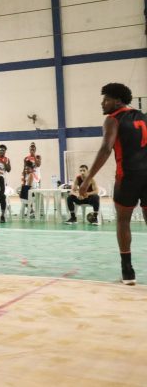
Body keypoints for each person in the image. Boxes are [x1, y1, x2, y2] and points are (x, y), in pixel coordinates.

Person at [79, 83, 147, 285]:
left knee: (123, 221)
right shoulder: (143, 116)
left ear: (117, 101)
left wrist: (88, 178)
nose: (103, 103)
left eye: (106, 99)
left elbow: (106, 149)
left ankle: (127, 272)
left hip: (128, 176)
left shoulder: (113, 119)